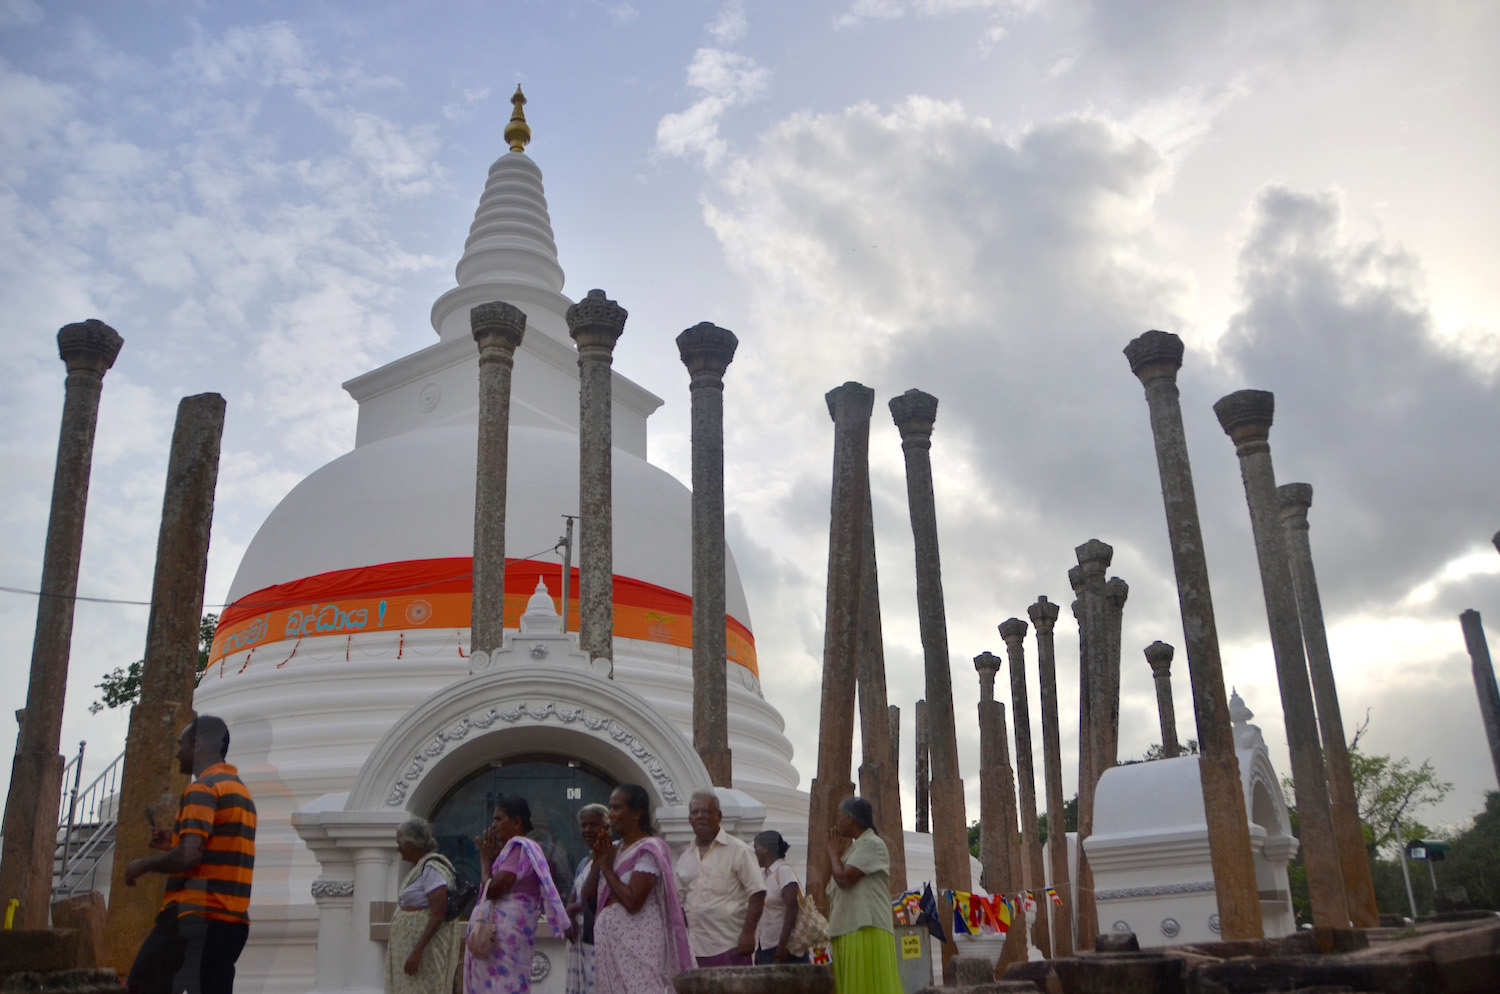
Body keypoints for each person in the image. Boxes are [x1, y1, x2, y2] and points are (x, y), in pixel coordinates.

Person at [124, 715, 257, 994]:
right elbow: (213, 845)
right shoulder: (239, 791)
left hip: (193, 917)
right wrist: (173, 841)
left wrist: (143, 865)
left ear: (198, 746)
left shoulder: (202, 789)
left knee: (141, 985)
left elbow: (189, 857)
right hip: (231, 922)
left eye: (181, 744)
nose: (176, 753)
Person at [464, 797, 573, 994]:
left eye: (499, 819)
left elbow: (494, 889)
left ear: (517, 823)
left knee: (502, 986)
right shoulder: (513, 850)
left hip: (504, 939)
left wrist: (485, 861)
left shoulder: (519, 846)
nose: (493, 825)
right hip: (502, 935)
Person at [591, 784, 692, 993]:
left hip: (639, 943)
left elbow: (633, 902)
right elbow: (588, 895)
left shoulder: (650, 849)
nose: (611, 814)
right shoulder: (614, 850)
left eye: (617, 808)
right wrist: (598, 859)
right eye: (610, 808)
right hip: (610, 943)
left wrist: (606, 868)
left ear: (637, 813)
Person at [674, 790, 765, 967]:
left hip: (730, 947)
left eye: (706, 811)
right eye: (695, 813)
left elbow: (757, 893)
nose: (700, 816)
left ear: (719, 816)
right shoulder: (685, 858)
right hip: (694, 950)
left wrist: (748, 934)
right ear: (689, 820)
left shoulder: (739, 850)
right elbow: (679, 902)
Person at [825, 796, 902, 994]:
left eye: (840, 817)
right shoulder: (856, 848)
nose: (837, 822)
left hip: (866, 927)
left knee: (868, 986)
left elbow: (843, 880)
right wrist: (840, 855)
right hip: (849, 926)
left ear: (850, 819)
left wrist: (833, 854)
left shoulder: (872, 844)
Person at [388, 817, 459, 994]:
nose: (398, 848)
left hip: (424, 952)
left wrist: (417, 952)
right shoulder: (419, 867)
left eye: (399, 842)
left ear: (411, 844)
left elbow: (438, 912)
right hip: (410, 948)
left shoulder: (432, 868)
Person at [564, 803, 608, 994]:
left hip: (601, 936)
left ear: (606, 828)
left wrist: (576, 907)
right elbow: (575, 897)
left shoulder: (613, 855)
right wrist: (568, 915)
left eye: (593, 825)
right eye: (584, 825)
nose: (587, 830)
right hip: (579, 937)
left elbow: (588, 896)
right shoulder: (584, 862)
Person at [751, 830, 807, 965]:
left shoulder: (783, 871)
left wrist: (783, 945)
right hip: (765, 945)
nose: (754, 853)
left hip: (781, 945)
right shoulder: (765, 875)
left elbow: (792, 908)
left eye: (755, 848)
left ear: (764, 849)